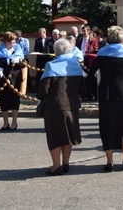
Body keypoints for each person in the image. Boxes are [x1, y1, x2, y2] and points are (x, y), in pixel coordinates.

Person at [88, 26, 123, 172]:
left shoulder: (102, 53)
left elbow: (91, 74)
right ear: (122, 39)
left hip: (106, 95)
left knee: (107, 127)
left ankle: (109, 161)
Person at [38, 38, 85, 176]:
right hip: (72, 106)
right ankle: (66, 163)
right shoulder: (76, 66)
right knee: (68, 136)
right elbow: (83, 88)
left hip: (55, 106)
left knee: (55, 136)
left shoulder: (51, 66)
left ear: (56, 52)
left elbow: (43, 90)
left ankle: (56, 166)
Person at [0, 31, 25, 131]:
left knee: (15, 99)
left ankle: (14, 122)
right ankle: (5, 123)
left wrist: (17, 60)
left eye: (14, 40)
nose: (13, 42)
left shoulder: (18, 50)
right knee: (3, 100)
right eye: (11, 40)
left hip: (15, 79)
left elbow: (23, 65)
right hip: (2, 78)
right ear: (5, 41)